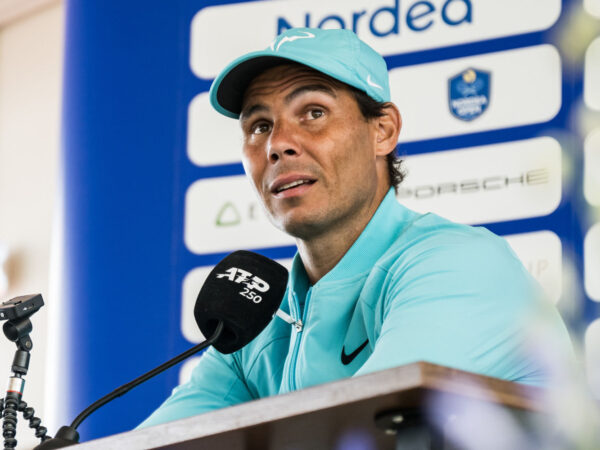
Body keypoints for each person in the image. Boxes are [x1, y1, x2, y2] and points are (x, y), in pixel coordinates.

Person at [139, 27, 572, 427]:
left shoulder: (458, 264)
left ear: (383, 131)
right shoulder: (258, 317)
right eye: (260, 126)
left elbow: (362, 433)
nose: (277, 144)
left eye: (312, 113)